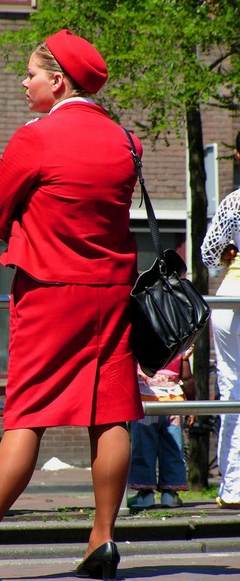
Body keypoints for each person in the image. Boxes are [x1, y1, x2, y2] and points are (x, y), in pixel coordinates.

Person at [0, 29, 144, 581]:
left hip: (49, 293)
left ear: (58, 80)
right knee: (110, 410)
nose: (24, 83)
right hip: (112, 293)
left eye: (31, 74)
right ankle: (103, 540)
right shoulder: (127, 142)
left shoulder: (34, 139)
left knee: (27, 416)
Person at [201, 131, 240, 510]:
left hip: (232, 295)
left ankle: (233, 489)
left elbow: (208, 253)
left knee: (232, 389)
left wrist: (229, 251)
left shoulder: (235, 201)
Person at [128, 349, 196, 510]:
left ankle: (145, 494)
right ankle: (170, 494)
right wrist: (192, 404)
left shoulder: (138, 344)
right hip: (173, 405)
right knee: (173, 448)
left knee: (143, 449)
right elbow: (187, 378)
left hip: (145, 404)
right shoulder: (179, 346)